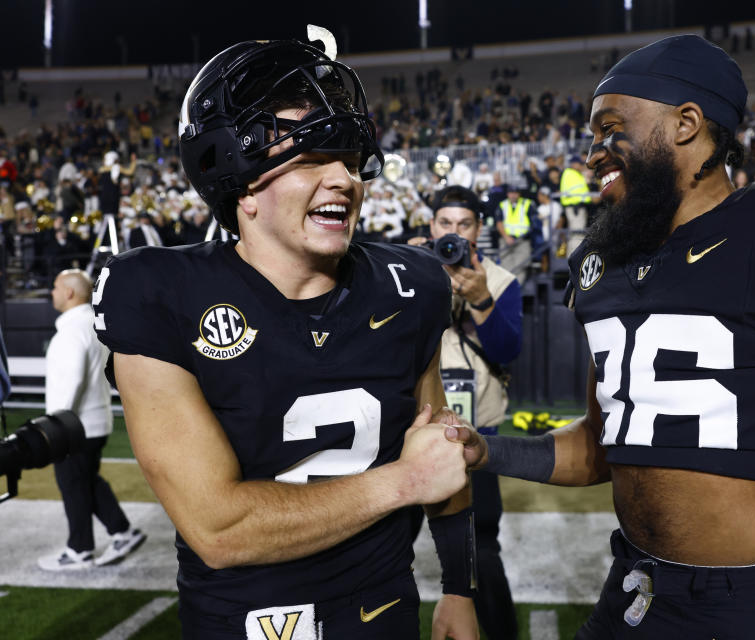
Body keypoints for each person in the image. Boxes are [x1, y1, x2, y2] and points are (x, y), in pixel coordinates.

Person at [451, 34, 755, 638]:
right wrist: (485, 450)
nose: (592, 155)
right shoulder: (603, 263)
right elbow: (602, 445)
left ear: (686, 124)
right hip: (635, 586)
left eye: (610, 128)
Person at [93, 38, 479, 640]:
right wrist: (403, 482)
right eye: (308, 157)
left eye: (349, 158)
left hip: (384, 612)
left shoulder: (412, 284)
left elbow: (441, 450)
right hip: (243, 624)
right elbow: (219, 529)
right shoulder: (157, 292)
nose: (343, 179)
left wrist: (459, 589)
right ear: (239, 182)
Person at [412, 185, 523, 639]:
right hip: (415, 428)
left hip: (477, 437)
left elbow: (507, 348)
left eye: (463, 225)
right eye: (445, 225)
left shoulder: (499, 280)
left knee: (480, 548)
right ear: (431, 227)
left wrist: (479, 300)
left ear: (478, 230)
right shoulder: (410, 270)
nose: (454, 234)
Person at [38, 269, 144, 571]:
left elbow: (70, 381)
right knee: (85, 480)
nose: (52, 293)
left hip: (74, 425)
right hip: (93, 421)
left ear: (69, 293)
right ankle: (122, 531)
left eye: (56, 287)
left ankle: (79, 550)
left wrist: (52, 428)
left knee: (73, 484)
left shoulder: (72, 330)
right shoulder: (92, 324)